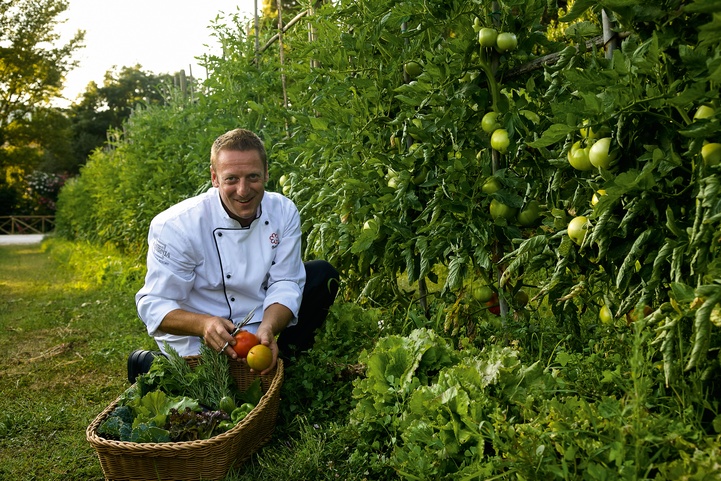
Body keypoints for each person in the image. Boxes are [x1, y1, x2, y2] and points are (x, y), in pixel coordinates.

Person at [129, 128, 339, 383]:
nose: (243, 190)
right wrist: (203, 324)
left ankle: (284, 361)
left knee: (321, 275)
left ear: (266, 173)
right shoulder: (177, 225)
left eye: (253, 177)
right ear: (214, 178)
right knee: (213, 392)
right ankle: (151, 362)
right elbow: (154, 304)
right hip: (198, 334)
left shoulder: (283, 212)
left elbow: (286, 281)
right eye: (231, 179)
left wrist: (269, 329)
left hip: (255, 322)